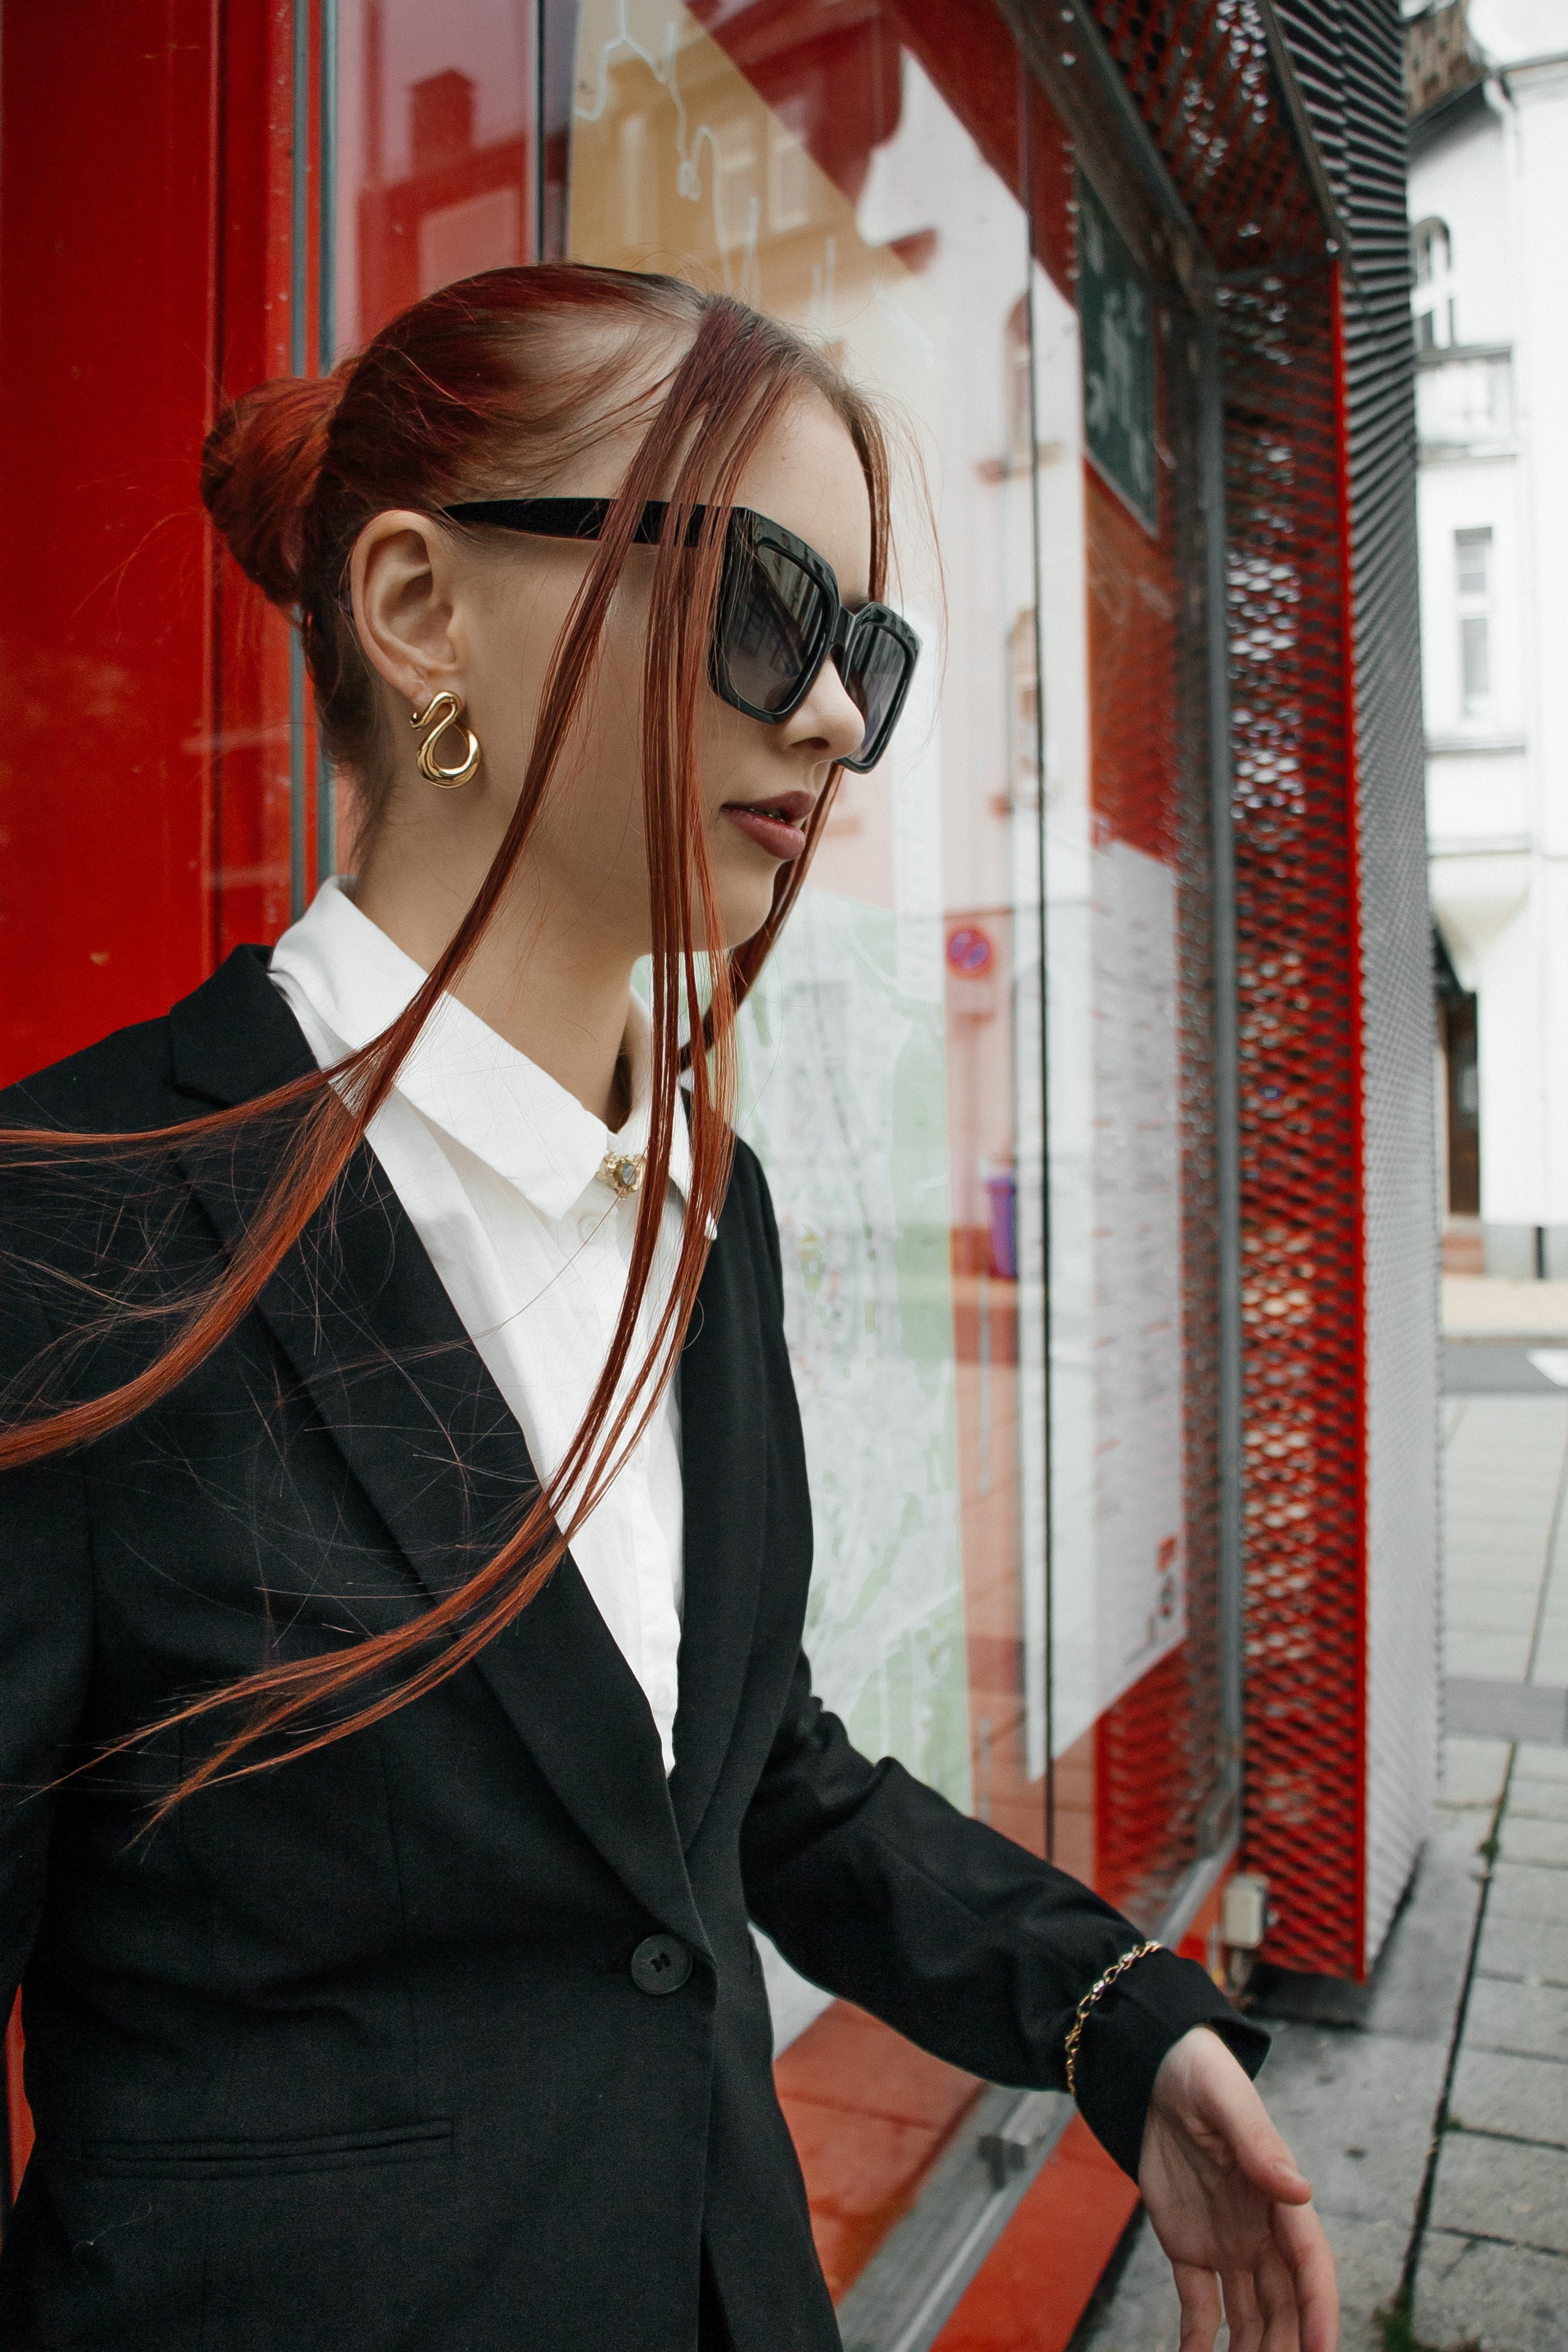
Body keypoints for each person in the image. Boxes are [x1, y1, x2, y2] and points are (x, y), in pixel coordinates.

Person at [0, 263, 1336, 2352]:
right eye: (765, 602)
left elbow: (740, 1775)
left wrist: (1117, 2021)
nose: (830, 718)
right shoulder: (70, 1234)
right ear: (421, 608)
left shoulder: (708, 1210)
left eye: (864, 655)